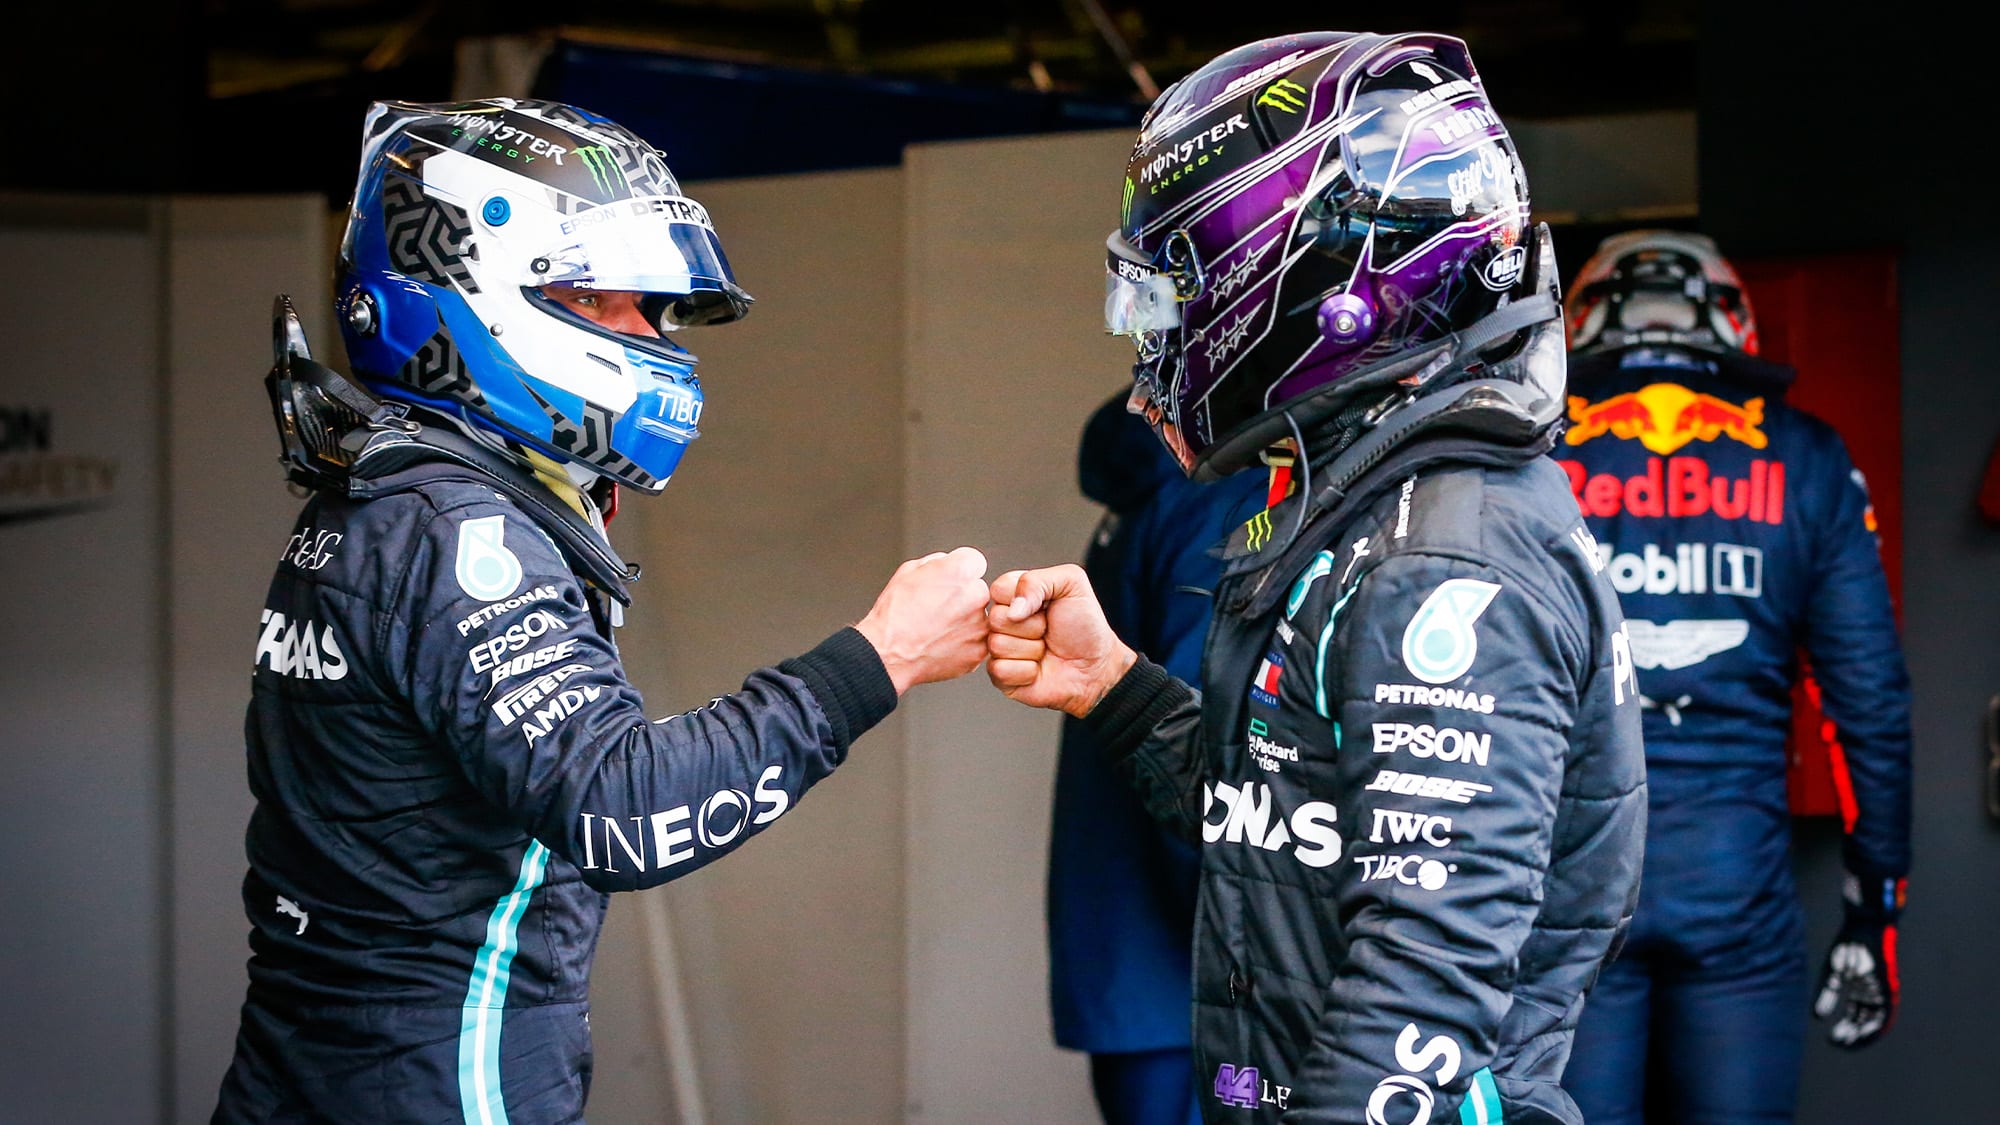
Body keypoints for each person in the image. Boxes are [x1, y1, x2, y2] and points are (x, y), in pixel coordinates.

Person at [212, 97, 992, 1123]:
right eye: (602, 301)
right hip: (432, 1085)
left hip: (312, 1074)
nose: (647, 336)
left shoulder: (378, 499)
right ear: (470, 288)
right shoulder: (458, 536)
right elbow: (619, 810)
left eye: (651, 307)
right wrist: (877, 659)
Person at [987, 31, 1647, 1124]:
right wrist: (1114, 687)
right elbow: (1286, 821)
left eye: (1176, 289)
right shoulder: (1367, 510)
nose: (1151, 332)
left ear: (1311, 287)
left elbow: (1423, 987)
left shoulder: (1442, 559)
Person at [1551, 229, 1913, 1123]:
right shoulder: (1810, 457)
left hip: (1564, 890)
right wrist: (1876, 908)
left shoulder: (1528, 452)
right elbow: (1868, 702)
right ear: (1735, 322)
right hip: (1736, 893)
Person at [1048, 391, 1265, 1125]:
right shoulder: (1228, 494)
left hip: (1140, 969)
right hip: (1199, 982)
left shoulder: (1164, 476)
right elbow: (1213, 756)